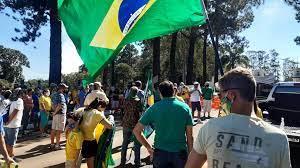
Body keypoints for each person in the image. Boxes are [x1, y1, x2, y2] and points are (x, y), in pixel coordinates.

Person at [185, 67, 292, 168]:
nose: (220, 98)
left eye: (221, 94)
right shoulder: (279, 138)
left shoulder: (210, 128)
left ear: (232, 95)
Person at [133, 81, 194, 168]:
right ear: (173, 91)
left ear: (160, 93)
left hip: (160, 153)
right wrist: (191, 155)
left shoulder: (154, 108)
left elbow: (136, 131)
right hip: (180, 153)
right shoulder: (185, 108)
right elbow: (190, 136)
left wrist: (148, 147)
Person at [78, 98, 113, 168]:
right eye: (103, 109)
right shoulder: (97, 114)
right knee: (90, 161)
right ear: (100, 106)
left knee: (77, 160)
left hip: (78, 138)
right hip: (89, 141)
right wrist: (111, 118)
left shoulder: (84, 110)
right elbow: (109, 126)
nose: (103, 111)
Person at [120, 86, 143, 167]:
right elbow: (140, 111)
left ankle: (122, 162)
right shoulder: (138, 101)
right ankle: (137, 162)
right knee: (137, 144)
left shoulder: (125, 100)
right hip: (135, 124)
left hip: (126, 123)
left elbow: (122, 110)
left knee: (125, 144)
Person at [4, 89, 24, 160]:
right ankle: (11, 157)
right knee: (11, 142)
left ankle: (7, 156)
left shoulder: (9, 100)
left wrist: (6, 122)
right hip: (13, 124)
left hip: (5, 124)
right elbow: (15, 111)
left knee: (6, 141)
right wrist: (9, 121)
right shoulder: (19, 100)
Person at [50, 83, 68, 150]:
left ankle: (52, 144)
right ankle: (57, 145)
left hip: (56, 114)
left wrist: (54, 112)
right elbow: (60, 105)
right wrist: (55, 112)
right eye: (65, 88)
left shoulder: (54, 94)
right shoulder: (61, 95)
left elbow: (51, 103)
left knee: (54, 129)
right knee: (59, 130)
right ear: (62, 88)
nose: (66, 89)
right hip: (60, 114)